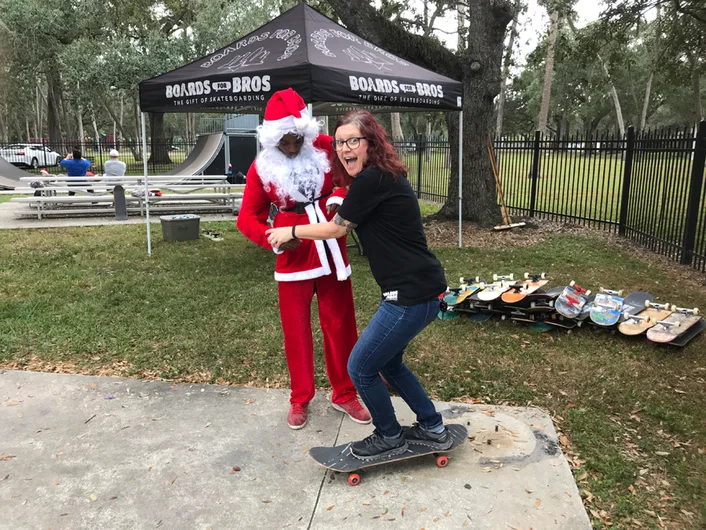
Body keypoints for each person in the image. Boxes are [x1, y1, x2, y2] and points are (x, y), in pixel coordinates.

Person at [266, 109, 450, 458]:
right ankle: (432, 425)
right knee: (389, 364)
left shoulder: (372, 180)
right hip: (423, 289)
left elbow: (336, 228)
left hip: (409, 296)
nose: (344, 148)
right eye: (339, 143)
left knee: (360, 367)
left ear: (371, 143)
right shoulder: (380, 177)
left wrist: (289, 230)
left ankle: (389, 435)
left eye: (353, 141)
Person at [236, 88, 371, 430]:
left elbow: (347, 176)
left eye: (297, 139)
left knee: (340, 325)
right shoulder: (262, 167)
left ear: (306, 133)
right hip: (292, 255)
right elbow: (247, 217)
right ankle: (300, 396)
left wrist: (341, 197)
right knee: (296, 330)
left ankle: (344, 392)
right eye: (285, 142)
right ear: (272, 139)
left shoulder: (326, 146)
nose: (293, 148)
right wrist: (273, 241)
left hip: (330, 244)